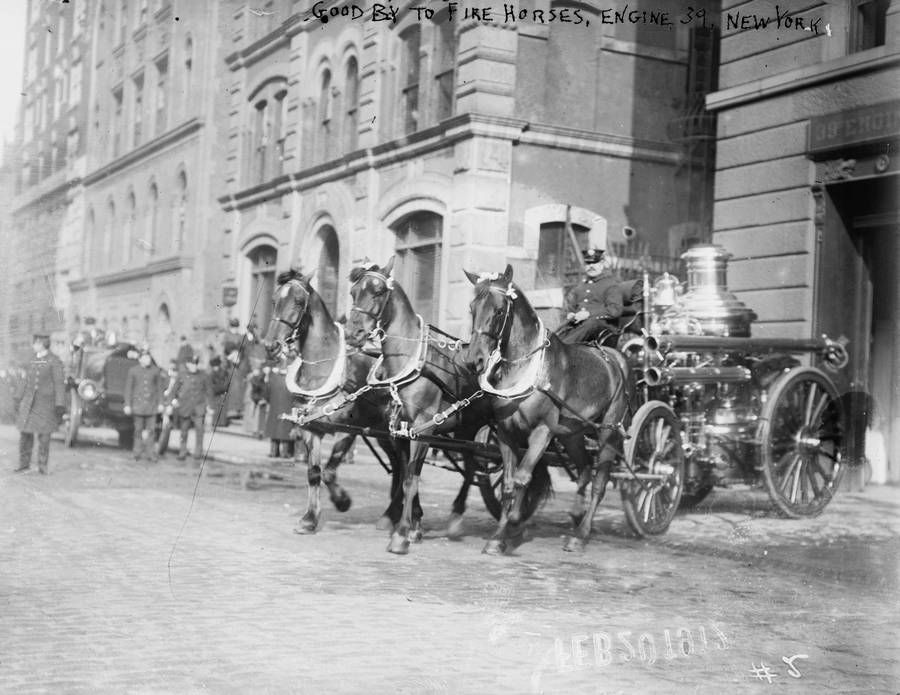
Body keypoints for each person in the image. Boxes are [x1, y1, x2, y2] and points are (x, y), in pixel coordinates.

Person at [13, 335, 65, 474]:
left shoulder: (54, 361)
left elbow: (59, 384)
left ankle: (43, 466)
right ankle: (24, 464)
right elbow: (25, 381)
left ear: (42, 344)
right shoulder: (32, 359)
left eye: (35, 343)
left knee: (44, 436)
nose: (33, 346)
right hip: (29, 403)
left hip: (46, 404)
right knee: (25, 434)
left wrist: (60, 404)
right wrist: (18, 397)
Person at [558, 248, 627, 346]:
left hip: (603, 327)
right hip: (581, 326)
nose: (591, 266)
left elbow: (615, 310)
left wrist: (589, 314)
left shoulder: (611, 285)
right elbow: (569, 307)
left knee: (591, 323)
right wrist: (570, 314)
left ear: (602, 264)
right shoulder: (579, 287)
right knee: (561, 330)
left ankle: (564, 347)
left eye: (595, 263)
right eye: (588, 264)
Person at [124, 348, 166, 462]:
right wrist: (127, 405)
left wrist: (161, 403)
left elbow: (159, 389)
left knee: (151, 431)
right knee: (138, 431)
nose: (148, 360)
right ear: (140, 359)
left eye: (148, 357)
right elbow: (129, 389)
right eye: (145, 357)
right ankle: (136, 453)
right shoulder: (133, 371)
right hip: (138, 406)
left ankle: (150, 454)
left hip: (151, 407)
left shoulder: (155, 371)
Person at [168, 355, 213, 462]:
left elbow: (208, 391)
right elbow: (174, 390)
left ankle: (198, 452)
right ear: (188, 365)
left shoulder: (203, 376)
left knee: (199, 429)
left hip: (199, 406)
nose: (194, 367)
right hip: (185, 406)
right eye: (192, 364)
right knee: (184, 431)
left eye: (195, 364)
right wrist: (173, 401)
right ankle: (182, 452)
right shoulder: (182, 375)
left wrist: (209, 406)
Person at [208, 356, 230, 428]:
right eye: (214, 366)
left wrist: (222, 388)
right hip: (216, 393)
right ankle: (215, 422)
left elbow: (227, 382)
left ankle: (222, 422)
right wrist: (217, 389)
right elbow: (211, 385)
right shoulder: (211, 374)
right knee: (216, 408)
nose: (215, 368)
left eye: (216, 366)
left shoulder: (224, 372)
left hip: (222, 392)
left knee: (222, 408)